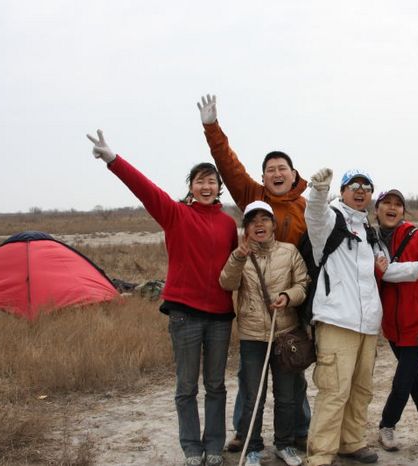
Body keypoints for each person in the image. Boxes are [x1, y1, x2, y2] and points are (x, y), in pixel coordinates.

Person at [86, 130, 237, 466]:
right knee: (186, 387)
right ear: (191, 187)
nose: (207, 186)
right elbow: (143, 188)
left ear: (219, 187)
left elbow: (237, 269)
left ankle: (214, 446)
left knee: (216, 386)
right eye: (200, 181)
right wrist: (113, 160)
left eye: (212, 181)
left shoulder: (229, 225)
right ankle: (192, 449)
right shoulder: (175, 214)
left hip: (220, 317)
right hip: (185, 315)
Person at [197, 94, 311, 451]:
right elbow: (227, 165)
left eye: (283, 169)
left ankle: (297, 431)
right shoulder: (253, 196)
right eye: (271, 169)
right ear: (263, 177)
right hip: (255, 306)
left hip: (293, 301)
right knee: (251, 378)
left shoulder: (307, 207)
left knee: (293, 371)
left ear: (294, 175)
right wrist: (212, 127)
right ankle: (244, 433)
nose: (277, 174)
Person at [305, 168, 418, 466]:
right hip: (337, 321)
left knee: (361, 389)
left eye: (366, 186)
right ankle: (321, 455)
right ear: (342, 191)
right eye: (353, 185)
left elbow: (387, 270)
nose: (360, 190)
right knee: (334, 391)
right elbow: (313, 216)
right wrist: (317, 189)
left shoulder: (368, 233)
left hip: (367, 326)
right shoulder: (331, 220)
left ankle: (351, 442)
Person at [219, 201, 309, 466]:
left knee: (286, 395)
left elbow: (303, 283)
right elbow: (227, 283)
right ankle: (253, 448)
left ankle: (284, 444)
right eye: (252, 220)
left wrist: (287, 296)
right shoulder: (240, 255)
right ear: (246, 228)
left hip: (285, 333)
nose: (259, 224)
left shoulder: (289, 251)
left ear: (273, 224)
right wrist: (237, 258)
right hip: (252, 336)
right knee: (253, 395)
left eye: (264, 219)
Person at [373, 189, 418, 453]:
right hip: (391, 326)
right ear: (377, 209)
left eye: (397, 204)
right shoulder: (372, 241)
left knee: (403, 379)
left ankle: (387, 423)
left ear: (403, 211)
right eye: (386, 204)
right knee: (415, 377)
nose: (392, 208)